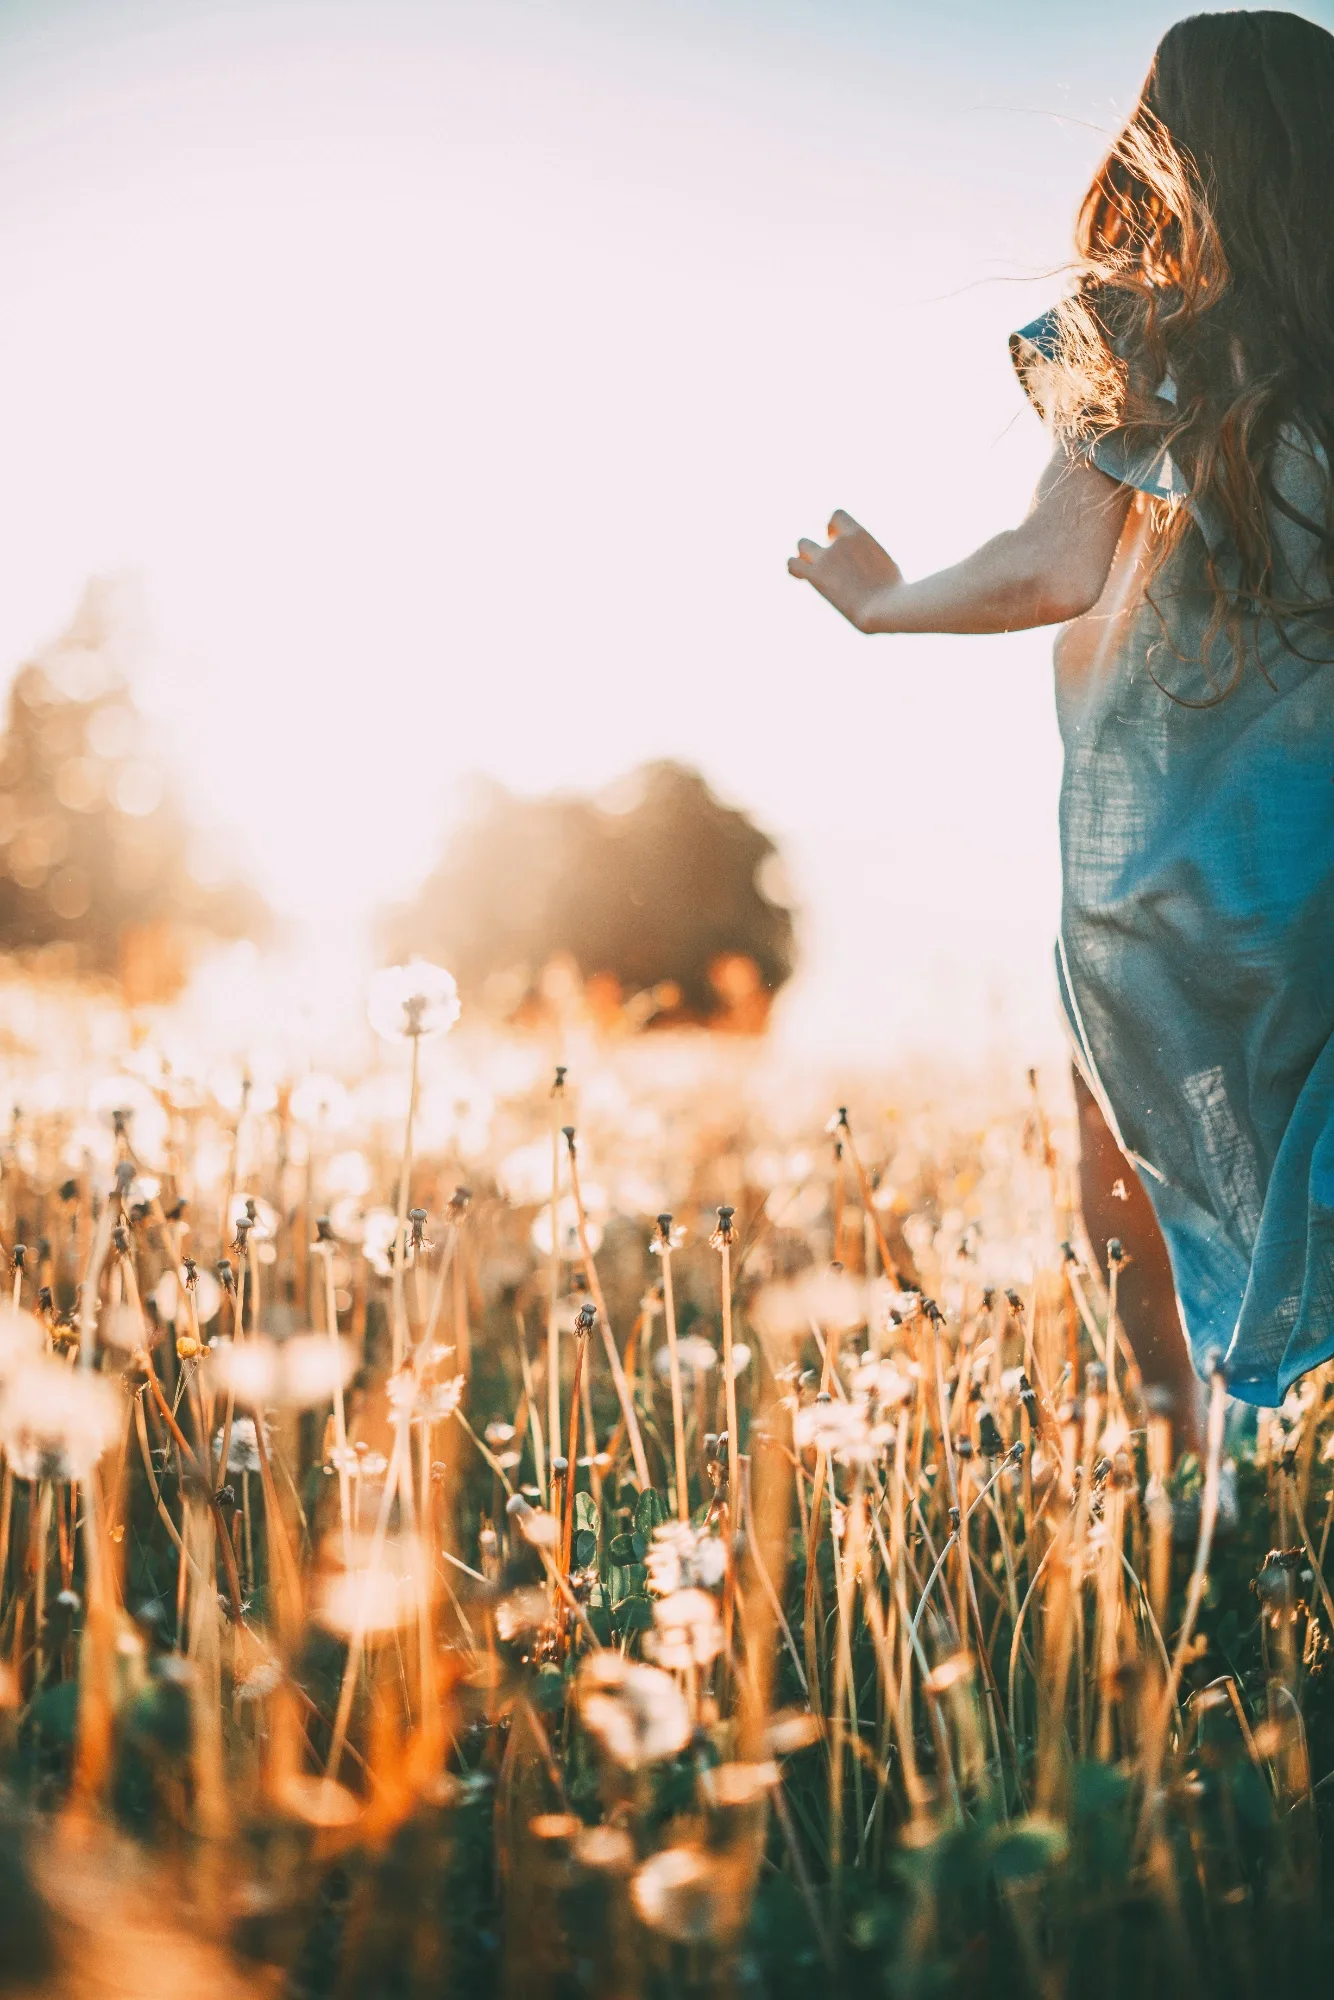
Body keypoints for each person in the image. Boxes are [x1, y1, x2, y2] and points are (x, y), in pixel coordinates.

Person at [789, 11, 1334, 1429]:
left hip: (1175, 868)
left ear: (1165, 150)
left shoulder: (1136, 343)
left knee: (1126, 1138)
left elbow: (1051, 570)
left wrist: (882, 601)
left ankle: (1178, 1461)